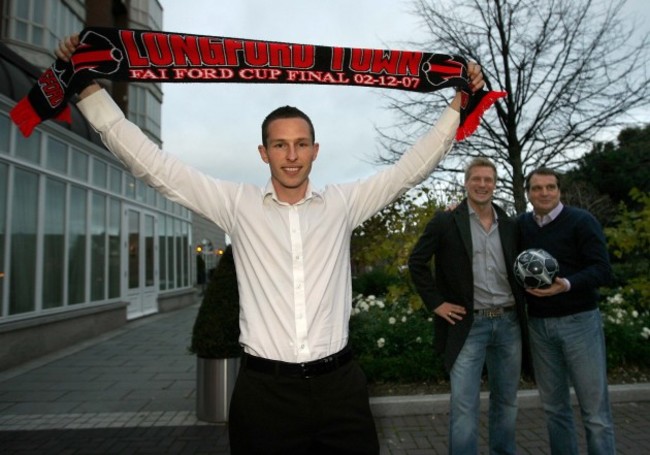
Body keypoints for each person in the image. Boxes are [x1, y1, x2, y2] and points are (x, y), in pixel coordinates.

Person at [55, 34, 485, 455]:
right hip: (264, 395)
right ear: (264, 153)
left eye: (300, 145)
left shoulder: (342, 204)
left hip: (340, 389)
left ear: (316, 150)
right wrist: (90, 91)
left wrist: (456, 106)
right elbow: (153, 166)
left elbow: (409, 168)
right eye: (281, 145)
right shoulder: (236, 205)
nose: (292, 155)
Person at [408, 157, 527, 454]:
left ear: (495, 184)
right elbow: (416, 262)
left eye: (488, 180)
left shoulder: (510, 225)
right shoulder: (446, 221)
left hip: (508, 324)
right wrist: (436, 303)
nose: (483, 185)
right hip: (467, 326)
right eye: (477, 179)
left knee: (507, 402)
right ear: (466, 182)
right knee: (464, 407)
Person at [518, 167, 616, 455]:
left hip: (579, 323)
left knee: (595, 413)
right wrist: (456, 210)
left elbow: (603, 270)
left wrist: (567, 284)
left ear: (559, 190)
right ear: (528, 193)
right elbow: (489, 226)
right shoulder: (522, 226)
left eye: (550, 187)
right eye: (537, 188)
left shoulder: (582, 222)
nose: (544, 193)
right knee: (554, 409)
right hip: (539, 326)